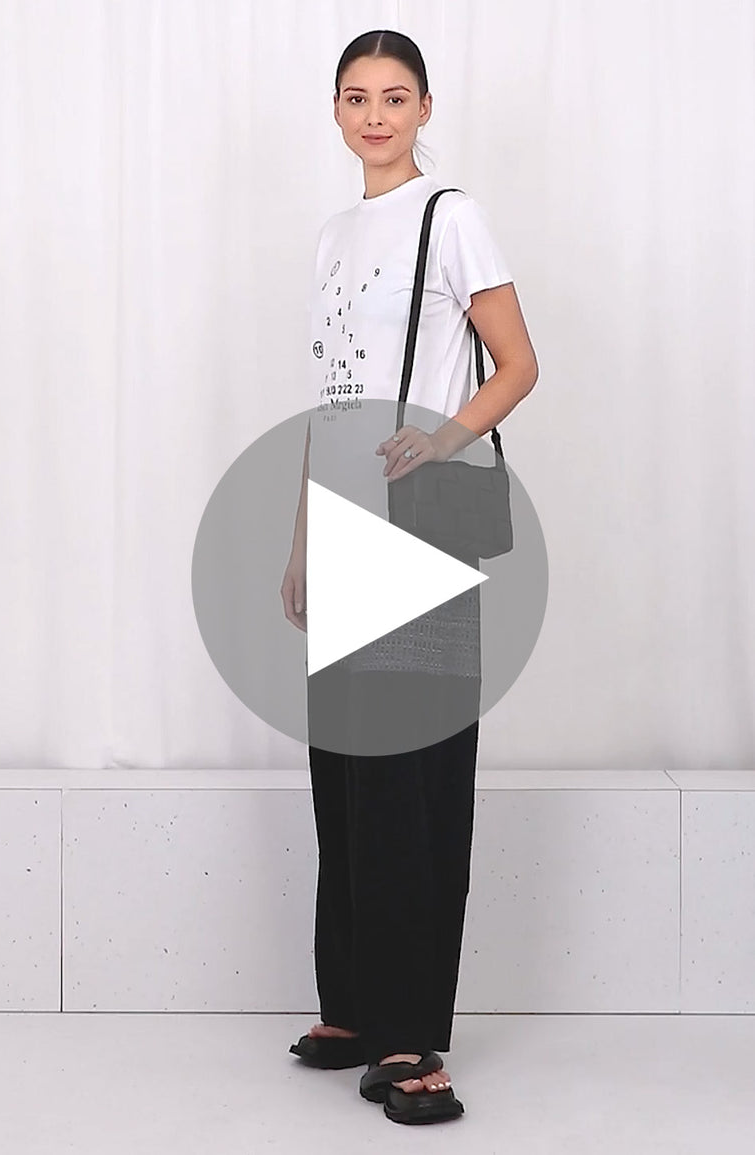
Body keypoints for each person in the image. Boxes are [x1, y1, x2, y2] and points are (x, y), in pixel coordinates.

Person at [280, 29, 538, 1125]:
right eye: (356, 96)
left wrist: (439, 440)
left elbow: (518, 363)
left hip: (418, 526)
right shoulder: (335, 235)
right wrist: (302, 534)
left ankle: (411, 1038)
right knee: (345, 773)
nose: (374, 115)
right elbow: (331, 395)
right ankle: (354, 1005)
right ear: (335, 110)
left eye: (394, 97)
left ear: (424, 108)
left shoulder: (451, 214)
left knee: (411, 782)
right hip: (344, 523)